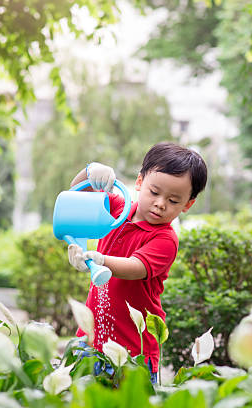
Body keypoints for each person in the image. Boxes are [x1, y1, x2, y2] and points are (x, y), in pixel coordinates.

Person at [67, 142, 207, 384]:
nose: (161, 203)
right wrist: (90, 173)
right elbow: (77, 194)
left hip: (132, 352)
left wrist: (101, 260)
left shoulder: (165, 239)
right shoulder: (118, 209)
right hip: (89, 339)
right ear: (140, 182)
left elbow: (136, 267)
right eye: (154, 192)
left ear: (188, 204)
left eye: (174, 200)